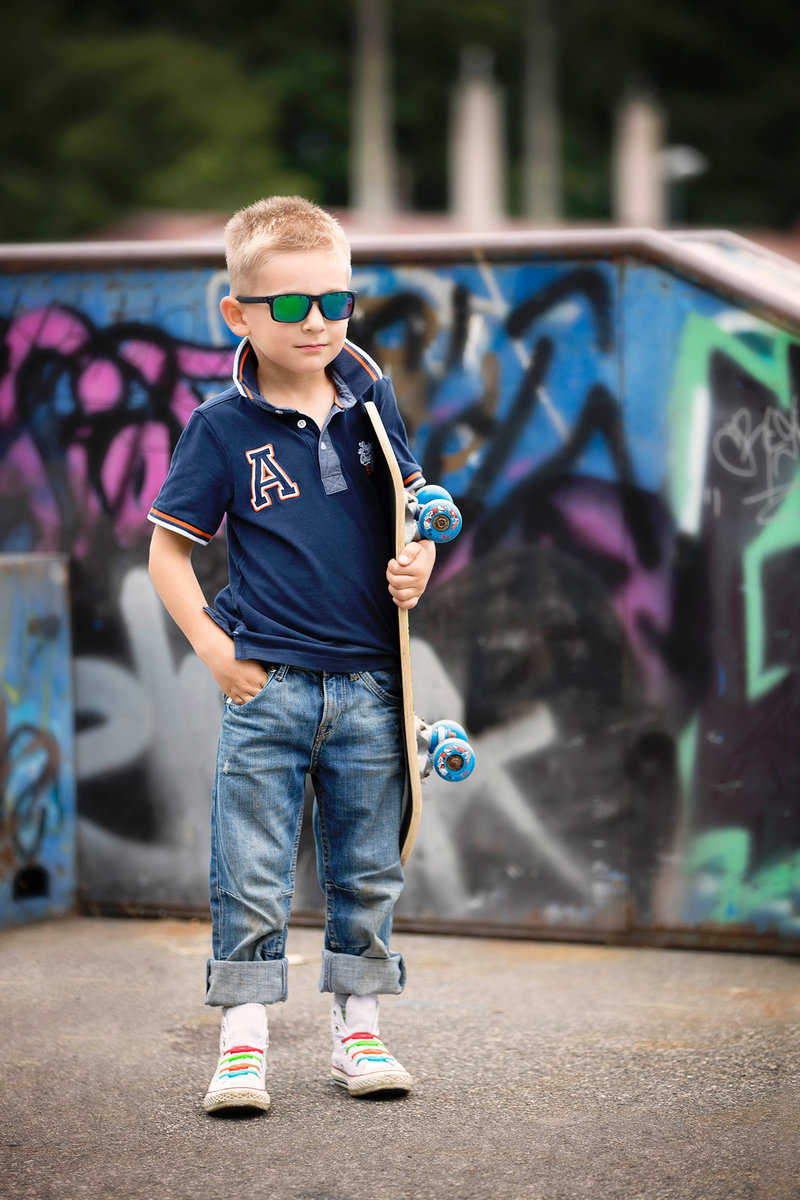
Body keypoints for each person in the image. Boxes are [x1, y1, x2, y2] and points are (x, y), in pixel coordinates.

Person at [147, 195, 435, 1113]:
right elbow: (166, 553)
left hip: (371, 684)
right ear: (237, 313)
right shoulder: (220, 427)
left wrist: (419, 562)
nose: (317, 321)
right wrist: (213, 650)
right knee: (251, 873)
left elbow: (417, 512)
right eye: (290, 304)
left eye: (335, 301)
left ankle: (361, 1031)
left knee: (368, 869)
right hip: (265, 684)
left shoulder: (372, 404)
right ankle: (242, 1043)